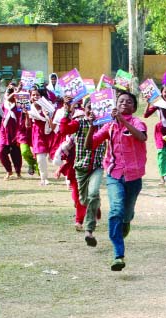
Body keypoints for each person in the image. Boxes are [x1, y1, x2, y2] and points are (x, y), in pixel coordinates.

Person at [91, 91, 147, 271]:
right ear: (115, 104)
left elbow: (142, 137)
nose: (124, 103)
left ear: (134, 107)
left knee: (126, 213)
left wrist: (122, 121)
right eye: (121, 101)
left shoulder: (138, 123)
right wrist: (92, 125)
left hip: (134, 177)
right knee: (116, 210)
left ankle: (126, 221)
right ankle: (118, 254)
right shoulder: (108, 126)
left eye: (129, 102)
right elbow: (90, 143)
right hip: (114, 175)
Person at [59, 97, 106, 245]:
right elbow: (63, 130)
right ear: (84, 109)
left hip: (97, 167)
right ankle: (95, 205)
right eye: (89, 107)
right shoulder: (79, 123)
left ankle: (89, 229)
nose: (92, 110)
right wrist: (66, 111)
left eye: (94, 107)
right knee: (84, 199)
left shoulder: (104, 124)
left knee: (92, 194)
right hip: (81, 167)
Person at [25, 88, 54, 185]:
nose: (35, 97)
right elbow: (28, 125)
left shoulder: (47, 106)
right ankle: (44, 178)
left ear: (41, 97)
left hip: (49, 133)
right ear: (30, 97)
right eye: (33, 95)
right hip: (37, 134)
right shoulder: (29, 109)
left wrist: (47, 115)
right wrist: (25, 114)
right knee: (40, 158)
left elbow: (53, 123)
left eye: (37, 95)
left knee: (56, 158)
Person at [0, 82, 23, 180]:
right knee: (1, 152)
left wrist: (18, 91)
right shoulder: (5, 103)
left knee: (16, 153)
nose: (10, 91)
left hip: (15, 132)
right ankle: (9, 170)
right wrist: (14, 90)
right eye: (9, 90)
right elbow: (7, 98)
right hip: (4, 132)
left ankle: (18, 172)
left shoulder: (19, 104)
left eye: (12, 90)